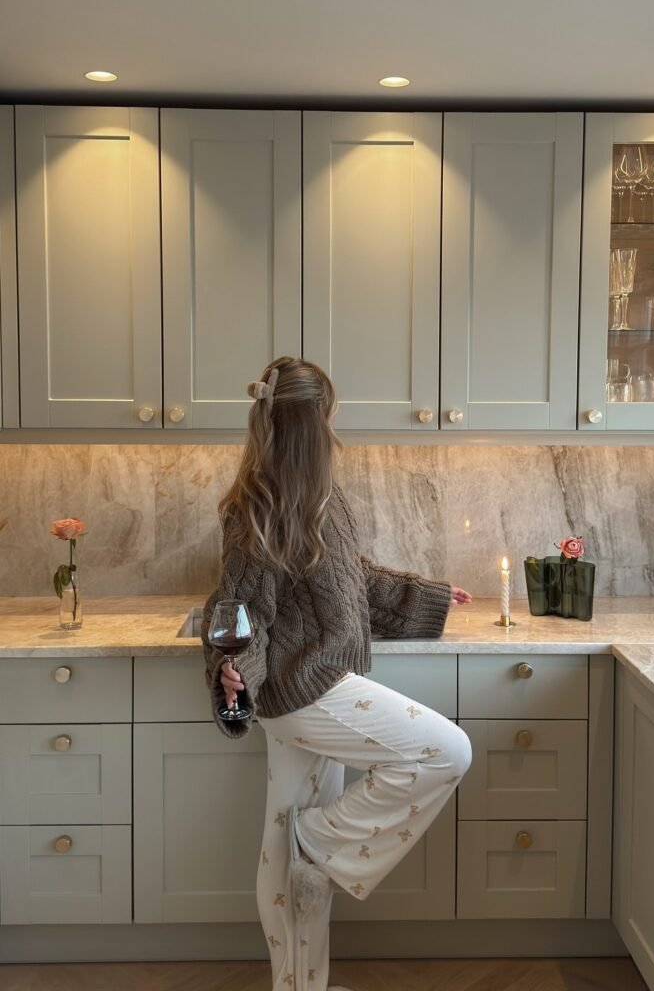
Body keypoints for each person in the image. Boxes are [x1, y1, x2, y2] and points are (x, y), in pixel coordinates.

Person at [201, 356, 473, 991]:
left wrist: (429, 598)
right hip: (308, 691)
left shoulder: (325, 497)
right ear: (310, 425)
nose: (333, 430)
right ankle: (317, 841)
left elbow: (351, 583)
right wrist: (232, 665)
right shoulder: (256, 508)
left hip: (316, 686)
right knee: (447, 751)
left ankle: (301, 985)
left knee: (287, 845)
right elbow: (237, 607)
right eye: (328, 418)